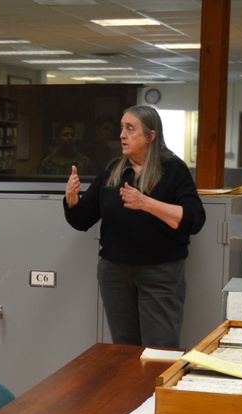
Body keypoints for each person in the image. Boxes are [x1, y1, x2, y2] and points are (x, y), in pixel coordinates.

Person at [63, 105, 206, 348]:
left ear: (151, 136)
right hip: (115, 273)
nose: (122, 135)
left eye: (130, 129)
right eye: (121, 128)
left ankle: (153, 389)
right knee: (124, 351)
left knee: (159, 351)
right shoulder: (113, 171)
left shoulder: (172, 170)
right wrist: (72, 200)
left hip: (160, 273)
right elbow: (83, 219)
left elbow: (194, 219)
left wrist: (146, 203)